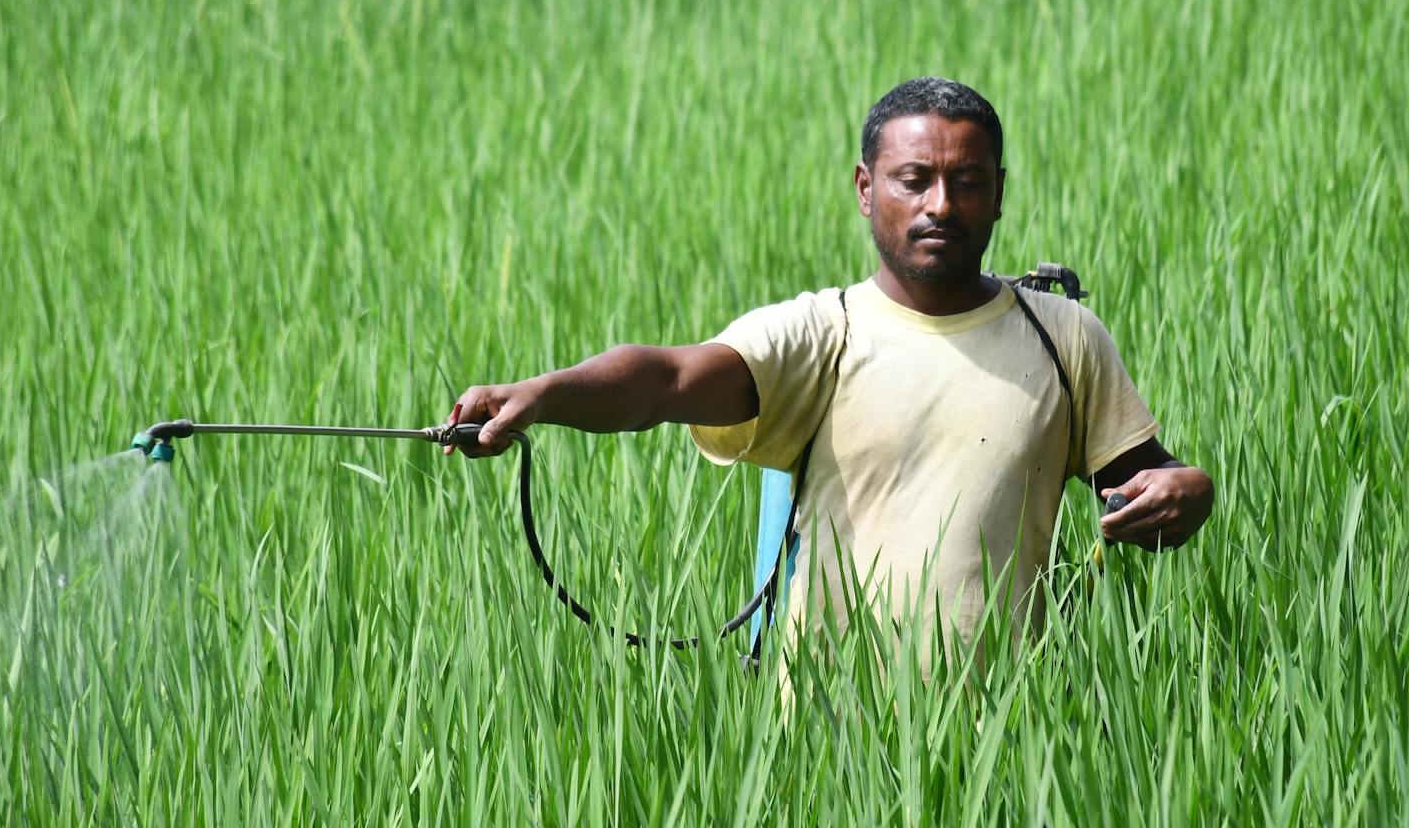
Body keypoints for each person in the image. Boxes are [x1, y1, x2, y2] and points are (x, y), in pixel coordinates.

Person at [444, 77, 1214, 656]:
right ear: (865, 187)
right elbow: (665, 380)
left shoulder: (1063, 337)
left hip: (1012, 740)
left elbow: (1147, 480)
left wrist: (1189, 491)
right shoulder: (822, 334)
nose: (941, 204)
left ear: (999, 196)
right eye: (914, 179)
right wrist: (543, 395)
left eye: (967, 181)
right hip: (831, 739)